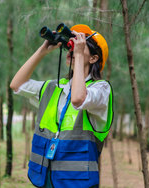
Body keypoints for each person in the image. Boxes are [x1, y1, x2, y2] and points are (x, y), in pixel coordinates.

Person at [10, 24, 113, 188]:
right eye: (71, 46)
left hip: (76, 182)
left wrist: (78, 56)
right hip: (45, 177)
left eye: (80, 45)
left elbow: (79, 98)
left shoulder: (101, 89)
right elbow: (16, 84)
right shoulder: (54, 86)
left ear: (93, 58)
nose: (72, 49)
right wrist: (42, 51)